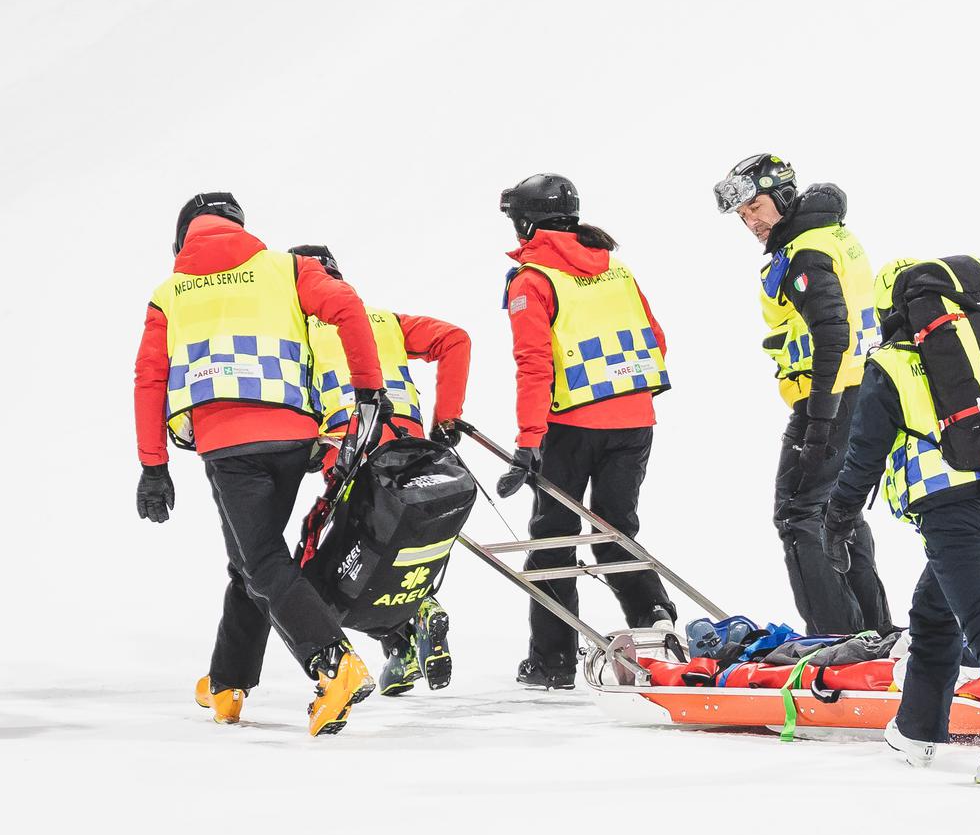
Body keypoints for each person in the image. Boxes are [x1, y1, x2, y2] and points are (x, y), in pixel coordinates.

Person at [133, 194, 387, 736]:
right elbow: (347, 307)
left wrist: (154, 465)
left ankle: (333, 663)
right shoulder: (285, 269)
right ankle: (228, 681)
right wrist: (367, 391)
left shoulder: (169, 294)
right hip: (294, 438)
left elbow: (149, 380)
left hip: (229, 446)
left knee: (264, 560)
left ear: (183, 237)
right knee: (247, 560)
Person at [821, 257, 980, 785]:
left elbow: (864, 454)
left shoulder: (891, 365)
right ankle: (917, 730)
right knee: (933, 610)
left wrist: (838, 519)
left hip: (952, 509)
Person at [497, 174, 678, 690]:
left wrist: (528, 442)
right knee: (616, 528)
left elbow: (533, 366)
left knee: (553, 541)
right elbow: (655, 339)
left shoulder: (532, 280)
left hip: (573, 426)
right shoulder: (616, 270)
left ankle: (552, 663)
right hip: (636, 419)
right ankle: (656, 620)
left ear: (525, 221)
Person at [713, 154, 890, 635]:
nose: (751, 220)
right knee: (838, 512)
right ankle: (871, 631)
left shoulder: (805, 253)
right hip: (860, 394)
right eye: (743, 214)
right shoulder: (832, 237)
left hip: (829, 397)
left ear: (784, 195)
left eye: (756, 206)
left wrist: (817, 422)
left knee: (798, 515)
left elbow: (832, 334)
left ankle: (835, 637)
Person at [288, 244, 472, 698]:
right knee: (394, 542)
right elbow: (455, 338)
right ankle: (403, 650)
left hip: (352, 448)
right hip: (410, 449)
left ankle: (413, 614)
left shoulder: (296, 328)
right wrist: (445, 418)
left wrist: (310, 443)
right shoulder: (381, 320)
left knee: (341, 563)